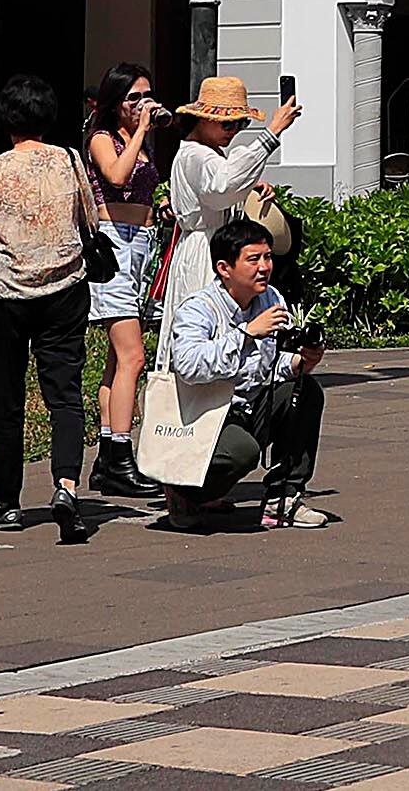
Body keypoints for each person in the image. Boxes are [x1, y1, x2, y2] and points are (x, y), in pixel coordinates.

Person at [0, 73, 106, 540]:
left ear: (6, 119)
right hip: (66, 288)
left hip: (5, 292)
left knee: (5, 399)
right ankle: (66, 486)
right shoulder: (68, 160)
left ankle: (7, 502)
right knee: (64, 394)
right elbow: (89, 216)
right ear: (48, 116)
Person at [161, 218, 328, 529]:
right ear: (225, 268)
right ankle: (183, 490)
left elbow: (271, 365)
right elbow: (187, 366)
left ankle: (284, 498)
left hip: (252, 404)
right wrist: (246, 334)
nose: (264, 267)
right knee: (242, 452)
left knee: (306, 391)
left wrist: (301, 362)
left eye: (267, 257)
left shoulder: (271, 298)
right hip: (208, 413)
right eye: (253, 259)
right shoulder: (199, 309)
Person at [82, 64, 170, 497]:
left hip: (141, 245)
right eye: (133, 98)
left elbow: (142, 192)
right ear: (116, 102)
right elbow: (116, 176)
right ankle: (121, 456)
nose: (142, 105)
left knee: (118, 362)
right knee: (133, 357)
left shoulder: (144, 144)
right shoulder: (103, 139)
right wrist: (140, 133)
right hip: (113, 243)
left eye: (147, 96)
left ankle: (105, 457)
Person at [163, 76, 298, 306]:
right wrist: (272, 132)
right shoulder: (196, 154)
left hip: (215, 248)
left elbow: (223, 184)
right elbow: (223, 187)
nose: (234, 130)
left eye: (240, 124)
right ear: (202, 119)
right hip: (205, 253)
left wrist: (250, 188)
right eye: (227, 124)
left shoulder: (206, 153)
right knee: (206, 325)